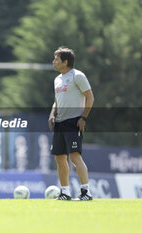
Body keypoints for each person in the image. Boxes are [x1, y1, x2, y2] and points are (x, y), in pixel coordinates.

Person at [48, 46, 94, 201]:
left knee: (74, 157)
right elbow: (57, 101)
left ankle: (86, 192)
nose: (53, 61)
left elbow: (90, 97)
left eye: (56, 59)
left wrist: (83, 118)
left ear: (65, 62)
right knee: (60, 158)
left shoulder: (77, 76)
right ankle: (65, 192)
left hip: (73, 122)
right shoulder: (57, 80)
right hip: (60, 123)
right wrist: (52, 113)